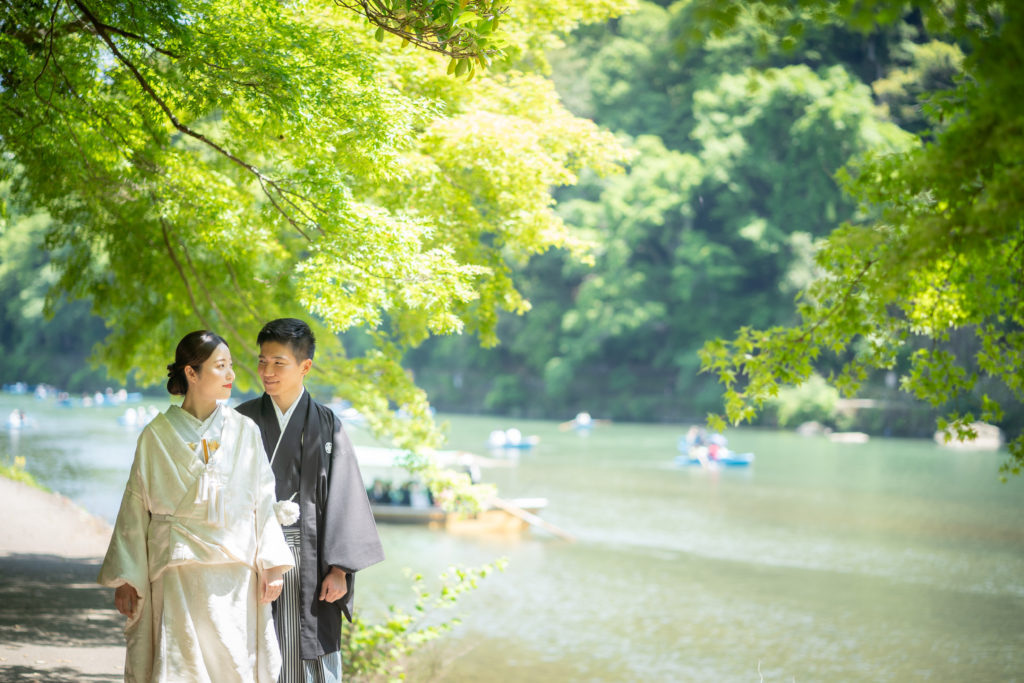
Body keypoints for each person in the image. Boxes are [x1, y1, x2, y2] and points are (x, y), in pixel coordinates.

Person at [98, 330, 296, 682]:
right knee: (180, 665)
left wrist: (271, 563)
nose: (231, 375)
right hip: (176, 568)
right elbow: (135, 506)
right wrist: (128, 577)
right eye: (220, 366)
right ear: (191, 372)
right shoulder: (155, 435)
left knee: (232, 664)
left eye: (231, 365)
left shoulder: (245, 431)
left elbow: (263, 498)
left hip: (234, 571)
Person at [236, 318, 384, 683]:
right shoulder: (241, 421)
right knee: (249, 647)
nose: (267, 371)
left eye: (279, 363)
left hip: (311, 559)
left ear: (305, 367)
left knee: (306, 651)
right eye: (262, 361)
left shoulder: (327, 424)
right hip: (250, 554)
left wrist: (340, 570)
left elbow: (345, 496)